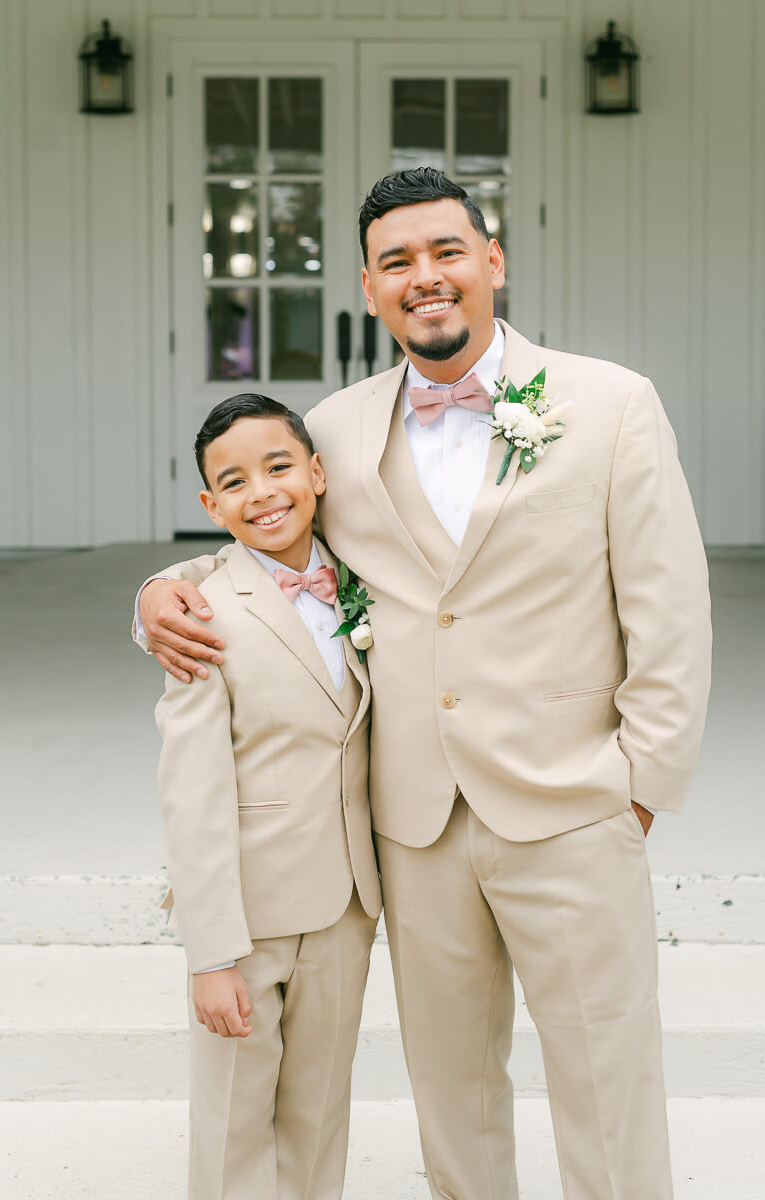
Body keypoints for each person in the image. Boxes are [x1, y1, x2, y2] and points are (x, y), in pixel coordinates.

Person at [137, 169, 712, 1200]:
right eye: (397, 262)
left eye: (446, 251)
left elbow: (669, 610)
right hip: (414, 825)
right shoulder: (339, 430)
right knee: (455, 1100)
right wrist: (158, 590)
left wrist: (639, 788)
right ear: (369, 286)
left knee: (607, 1085)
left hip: (576, 806)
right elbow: (267, 535)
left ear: (492, 262)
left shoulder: (612, 404)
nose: (425, 277)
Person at [154, 393, 380, 1200]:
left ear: (317, 473)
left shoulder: (363, 577)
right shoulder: (201, 614)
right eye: (235, 482)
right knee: (234, 1124)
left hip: (349, 902)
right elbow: (193, 791)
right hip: (247, 916)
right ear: (211, 506)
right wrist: (209, 954)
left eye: (279, 467)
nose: (264, 493)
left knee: (319, 1113)